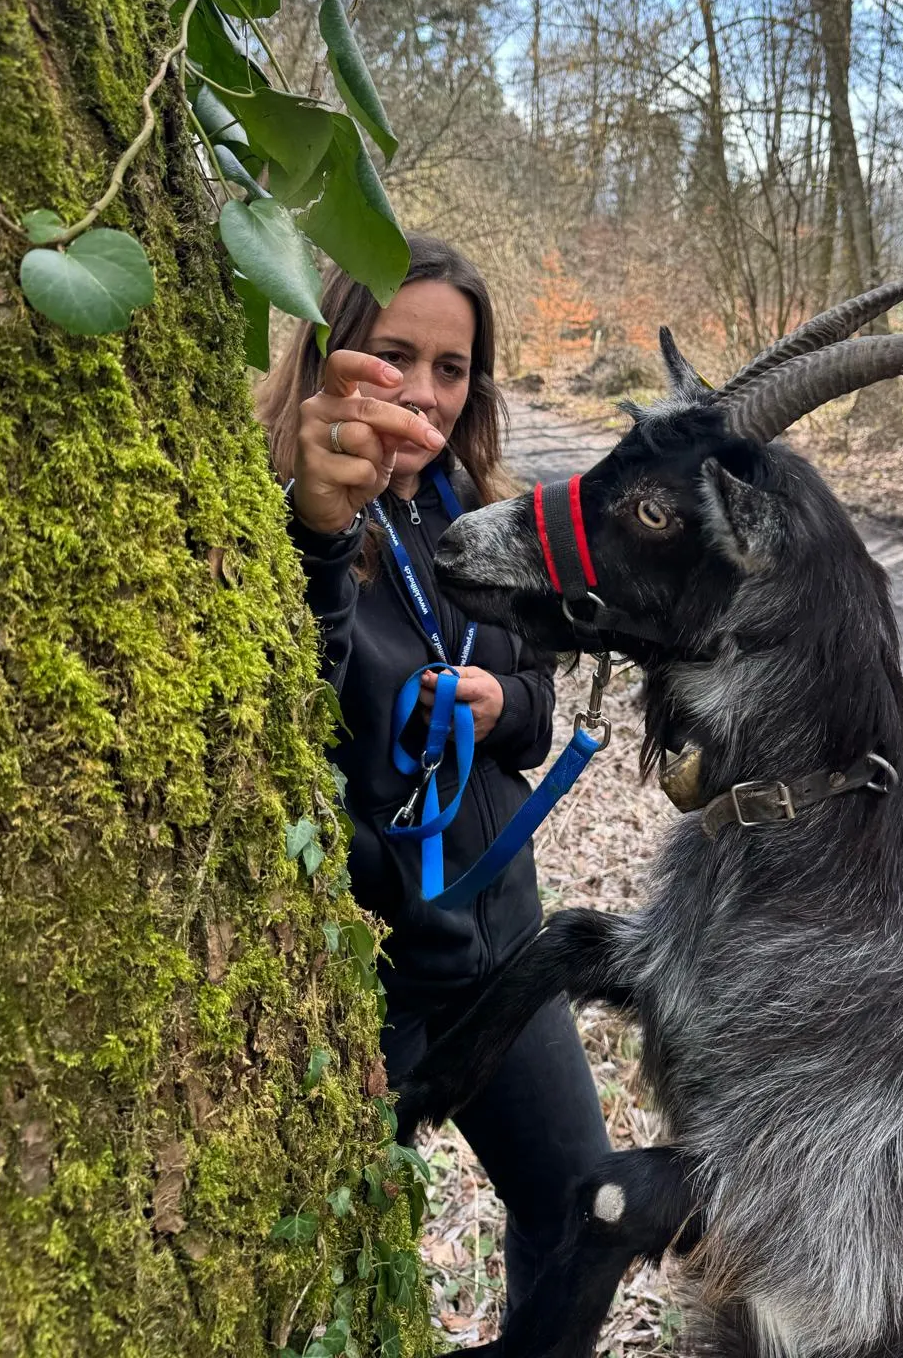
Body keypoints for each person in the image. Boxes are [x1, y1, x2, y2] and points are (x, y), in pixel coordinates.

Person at [258, 234, 609, 1316]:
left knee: (579, 1215)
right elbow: (282, 707)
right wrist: (317, 530)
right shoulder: (279, 504)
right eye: (393, 354)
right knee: (334, 1265)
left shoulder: (490, 519)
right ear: (332, 353)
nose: (423, 392)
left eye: (451, 368)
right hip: (373, 982)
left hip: (502, 952)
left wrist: (505, 705)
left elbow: (541, 704)